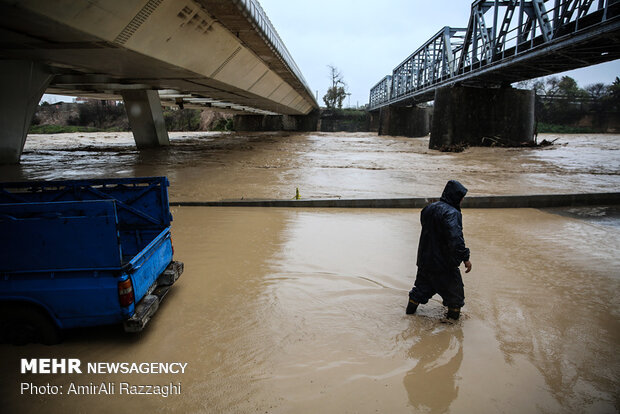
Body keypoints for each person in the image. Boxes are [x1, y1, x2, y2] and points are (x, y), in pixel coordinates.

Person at [407, 180, 472, 320]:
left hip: (424, 261)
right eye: (461, 197)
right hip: (444, 265)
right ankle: (450, 329)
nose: (462, 200)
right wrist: (465, 258)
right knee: (456, 298)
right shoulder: (453, 213)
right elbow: (456, 239)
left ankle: (408, 316)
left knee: (418, 292)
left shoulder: (428, 208)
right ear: (456, 196)